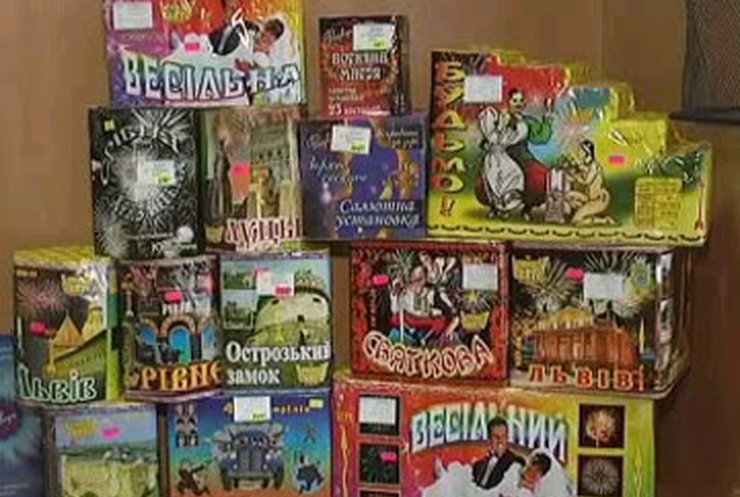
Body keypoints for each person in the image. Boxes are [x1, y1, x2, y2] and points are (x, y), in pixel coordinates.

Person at [472, 417, 526, 490]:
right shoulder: (478, 466)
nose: (500, 441)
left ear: (507, 438)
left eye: (503, 436)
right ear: (489, 440)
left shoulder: (516, 462)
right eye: (496, 437)